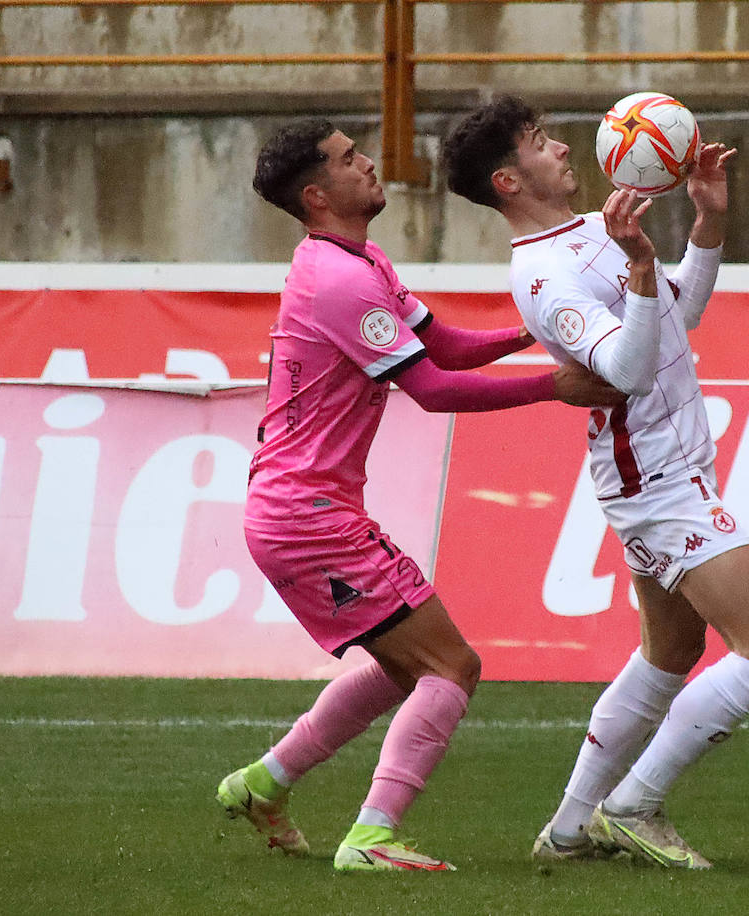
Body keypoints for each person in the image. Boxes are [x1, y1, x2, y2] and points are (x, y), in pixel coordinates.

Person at [217, 117, 623, 874]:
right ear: (316, 194)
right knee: (450, 667)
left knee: (408, 666)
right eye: (347, 159)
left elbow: (442, 345)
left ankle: (262, 783)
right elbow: (431, 390)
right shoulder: (338, 278)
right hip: (309, 516)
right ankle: (371, 838)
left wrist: (533, 327)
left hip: (300, 508)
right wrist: (554, 385)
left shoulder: (357, 258)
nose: (368, 163)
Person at [441, 97, 749, 870]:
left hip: (667, 468)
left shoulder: (584, 235)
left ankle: (570, 828)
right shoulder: (541, 275)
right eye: (540, 143)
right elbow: (628, 370)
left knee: (670, 653)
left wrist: (706, 225)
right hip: (658, 481)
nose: (563, 148)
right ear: (508, 180)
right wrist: (637, 264)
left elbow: (678, 316)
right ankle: (633, 804)